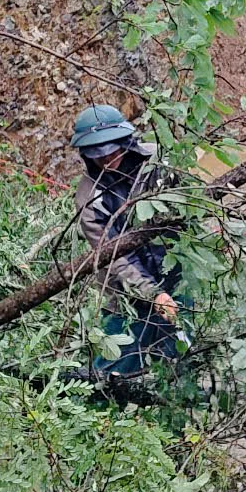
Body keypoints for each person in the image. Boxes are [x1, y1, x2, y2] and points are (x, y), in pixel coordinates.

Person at [69, 104, 186, 397]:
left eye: (111, 150)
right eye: (98, 154)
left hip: (177, 275)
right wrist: (152, 293)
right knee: (114, 367)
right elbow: (113, 256)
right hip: (124, 292)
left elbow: (188, 209)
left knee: (178, 359)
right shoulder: (88, 198)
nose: (108, 159)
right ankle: (100, 418)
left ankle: (173, 414)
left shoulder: (159, 163)